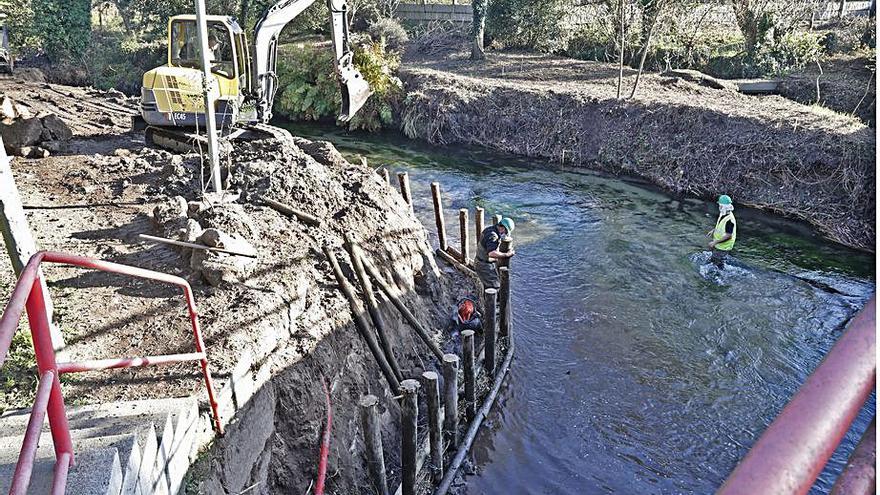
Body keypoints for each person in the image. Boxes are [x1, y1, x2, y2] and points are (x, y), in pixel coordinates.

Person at [475, 217, 516, 289]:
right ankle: (489, 300)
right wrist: (506, 255)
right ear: (503, 228)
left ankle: (485, 298)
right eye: (505, 232)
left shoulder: (490, 229)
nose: (505, 234)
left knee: (488, 285)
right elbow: (491, 253)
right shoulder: (493, 236)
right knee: (495, 286)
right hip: (483, 265)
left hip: (480, 261)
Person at [707, 195, 737, 268]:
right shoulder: (723, 213)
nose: (719, 207)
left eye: (720, 205)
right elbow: (721, 225)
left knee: (716, 264)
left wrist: (714, 242)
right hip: (719, 245)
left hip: (723, 247)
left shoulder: (730, 220)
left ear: (723, 206)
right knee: (716, 261)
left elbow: (728, 236)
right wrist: (713, 230)